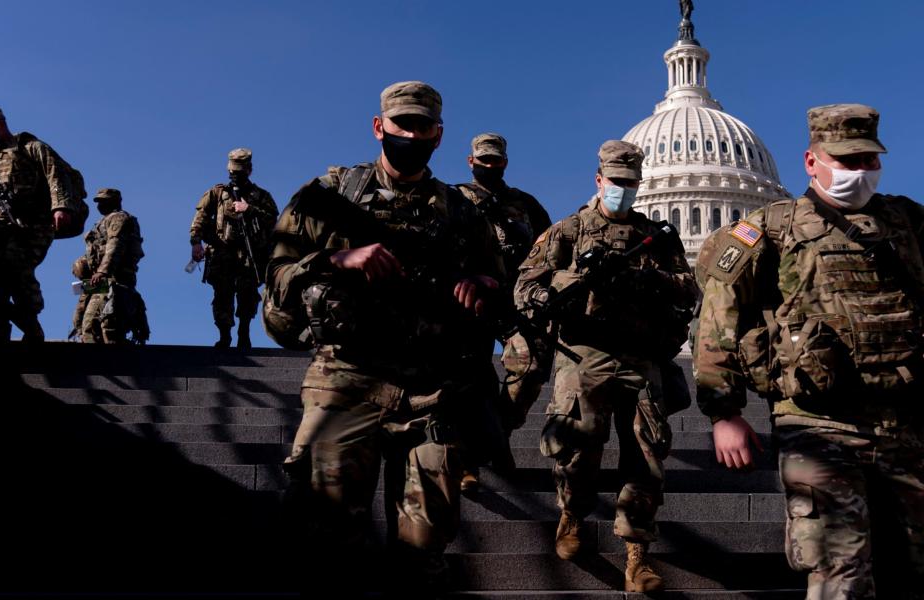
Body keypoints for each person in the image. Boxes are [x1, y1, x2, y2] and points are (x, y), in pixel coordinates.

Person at [263, 81, 504, 593]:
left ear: (438, 136)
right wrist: (336, 259)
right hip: (346, 379)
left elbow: (499, 284)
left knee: (425, 549)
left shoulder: (463, 213)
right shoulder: (327, 198)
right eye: (401, 125)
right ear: (380, 128)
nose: (411, 134)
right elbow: (277, 279)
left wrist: (484, 285)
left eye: (422, 127)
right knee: (327, 537)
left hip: (432, 389)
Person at [694, 104, 924, 599]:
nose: (858, 172)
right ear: (810, 161)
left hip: (904, 418)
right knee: (839, 569)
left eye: (867, 160)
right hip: (817, 419)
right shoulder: (768, 228)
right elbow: (718, 315)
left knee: (912, 568)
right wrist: (724, 411)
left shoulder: (907, 224)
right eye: (845, 160)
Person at [514, 140, 697, 593]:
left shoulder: (656, 238)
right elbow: (525, 287)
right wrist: (574, 282)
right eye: (617, 182)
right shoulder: (568, 231)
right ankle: (572, 515)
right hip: (585, 354)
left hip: (640, 355)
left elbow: (688, 290)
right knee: (576, 446)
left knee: (647, 456)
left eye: (632, 184)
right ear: (600, 180)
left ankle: (637, 557)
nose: (624, 190)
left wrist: (647, 278)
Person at [455, 133, 552, 491]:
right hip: (468, 299)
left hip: (515, 300)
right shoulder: (453, 199)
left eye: (495, 161)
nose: (489, 166)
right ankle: (467, 459)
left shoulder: (526, 205)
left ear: (505, 163)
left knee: (531, 365)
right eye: (483, 160)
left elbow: (548, 250)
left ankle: (496, 435)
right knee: (469, 374)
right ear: (470, 161)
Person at [0, 107, 79, 342]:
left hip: (34, 225)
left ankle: (30, 322)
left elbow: (55, 173)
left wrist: (61, 206)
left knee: (14, 267)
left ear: (1, 124)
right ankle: (11, 329)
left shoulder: (30, 147)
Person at [189, 148, 278, 349]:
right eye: (232, 172)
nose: (234, 176)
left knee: (247, 296)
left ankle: (244, 332)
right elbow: (200, 219)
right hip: (222, 252)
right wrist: (196, 242)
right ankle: (225, 335)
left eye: (238, 172)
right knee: (222, 295)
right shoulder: (217, 193)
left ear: (249, 170)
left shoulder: (261, 196)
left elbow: (274, 222)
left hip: (250, 255)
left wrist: (250, 210)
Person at [70, 188, 148, 344]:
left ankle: (103, 364)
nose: (100, 205)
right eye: (99, 201)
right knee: (80, 320)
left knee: (94, 324)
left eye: (104, 201)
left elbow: (115, 245)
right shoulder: (102, 222)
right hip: (98, 281)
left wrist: (103, 271)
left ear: (116, 202)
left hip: (113, 279)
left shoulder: (118, 218)